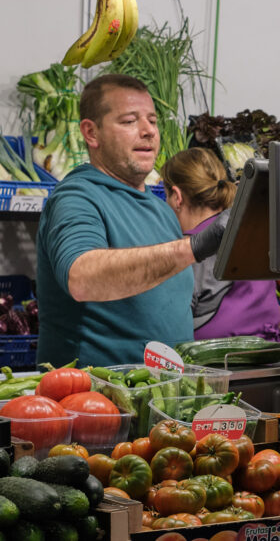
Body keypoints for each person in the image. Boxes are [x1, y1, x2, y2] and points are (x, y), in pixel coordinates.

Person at [35, 74, 226, 367]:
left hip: (163, 398)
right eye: (129, 121)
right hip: (96, 400)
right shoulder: (77, 197)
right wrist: (192, 247)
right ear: (91, 133)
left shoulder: (160, 209)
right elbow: (81, 278)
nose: (148, 131)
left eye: (152, 120)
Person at [161, 147, 280, 342]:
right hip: (272, 356)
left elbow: (170, 329)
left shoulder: (188, 251)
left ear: (177, 197)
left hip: (215, 368)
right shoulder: (251, 230)